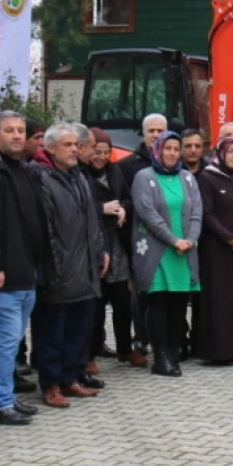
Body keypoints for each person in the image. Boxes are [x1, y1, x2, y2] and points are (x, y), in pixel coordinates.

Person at [0, 111, 46, 426]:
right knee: (3, 341)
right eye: (9, 131)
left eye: (20, 131)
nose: (16, 136)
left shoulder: (26, 171)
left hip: (27, 272)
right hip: (3, 275)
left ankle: (6, 394)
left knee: (12, 342)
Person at [30, 124, 107, 407]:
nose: (75, 149)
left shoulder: (78, 177)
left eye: (76, 144)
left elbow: (92, 223)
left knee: (77, 329)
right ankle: (50, 385)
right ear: (50, 149)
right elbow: (46, 229)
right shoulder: (40, 177)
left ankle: (71, 377)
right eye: (67, 145)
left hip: (84, 269)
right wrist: (54, 268)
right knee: (52, 331)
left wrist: (99, 253)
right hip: (59, 270)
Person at [131, 132, 203, 376]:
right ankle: (160, 355)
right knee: (159, 302)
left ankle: (173, 350)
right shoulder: (144, 177)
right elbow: (147, 213)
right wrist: (174, 240)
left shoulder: (187, 178)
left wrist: (190, 240)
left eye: (176, 149)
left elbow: (196, 211)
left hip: (183, 252)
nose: (172, 153)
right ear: (158, 150)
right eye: (168, 148)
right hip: (158, 251)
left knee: (179, 305)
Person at [197, 140, 233, 364]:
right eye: (229, 151)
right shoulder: (207, 177)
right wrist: (228, 237)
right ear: (220, 154)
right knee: (221, 301)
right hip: (218, 249)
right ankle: (221, 352)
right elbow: (207, 213)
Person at [85, 128, 140, 368]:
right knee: (95, 307)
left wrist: (124, 209)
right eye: (96, 152)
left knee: (123, 303)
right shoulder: (81, 174)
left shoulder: (115, 172)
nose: (100, 157)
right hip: (96, 245)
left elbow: (127, 197)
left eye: (106, 153)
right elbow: (80, 205)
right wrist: (102, 208)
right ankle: (89, 354)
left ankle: (125, 349)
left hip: (118, 246)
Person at [116, 113, 169, 184]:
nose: (155, 135)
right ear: (144, 134)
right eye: (151, 131)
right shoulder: (126, 166)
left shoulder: (176, 163)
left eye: (160, 131)